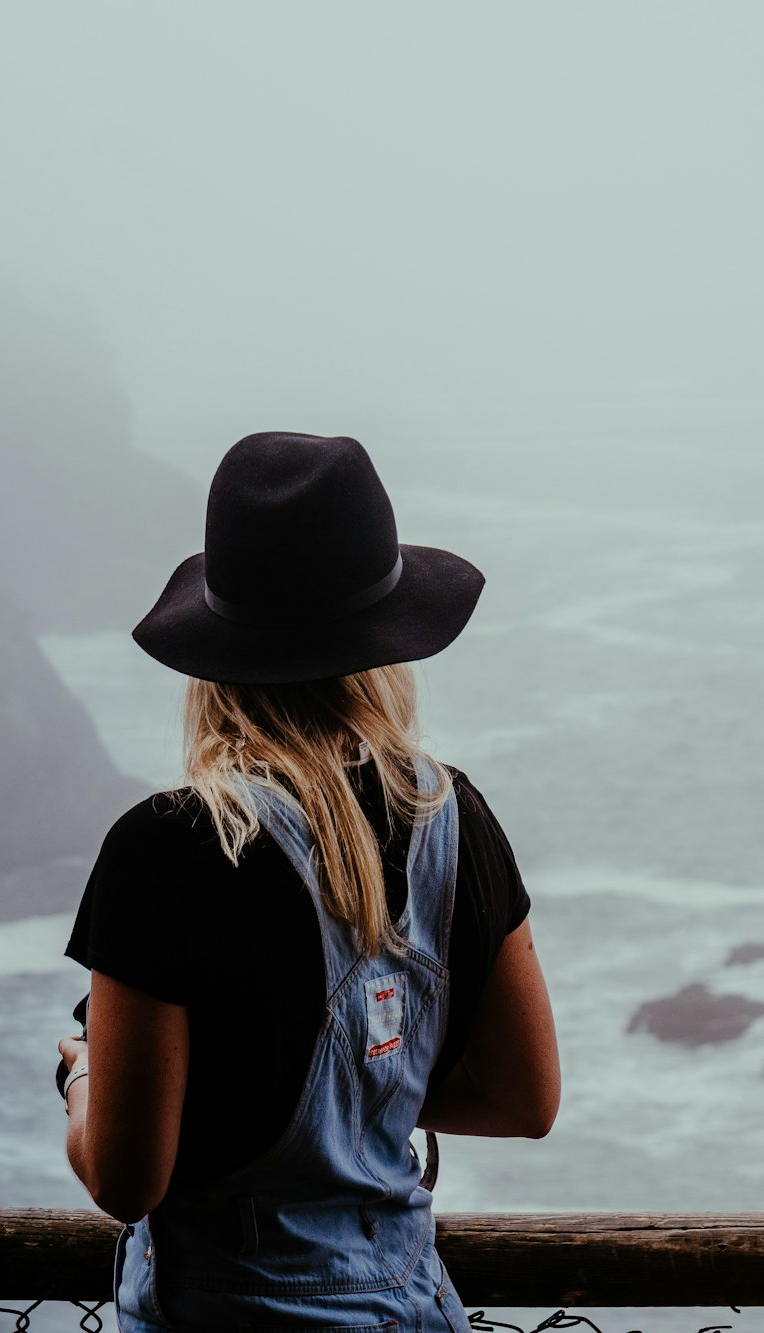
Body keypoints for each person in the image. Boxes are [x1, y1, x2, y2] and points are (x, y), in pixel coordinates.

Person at [59, 431, 560, 1333]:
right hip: (414, 1307)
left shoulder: (166, 847)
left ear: (215, 650)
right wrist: (373, 1090)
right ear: (385, 640)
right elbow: (526, 1098)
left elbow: (127, 1180)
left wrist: (86, 1081)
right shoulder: (458, 816)